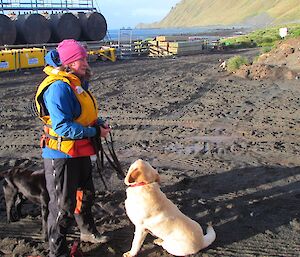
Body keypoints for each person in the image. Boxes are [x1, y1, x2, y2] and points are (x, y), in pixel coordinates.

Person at [35, 39, 111, 257]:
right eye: (81, 59)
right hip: (61, 155)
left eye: (85, 58)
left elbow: (82, 115)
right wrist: (95, 133)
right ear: (68, 63)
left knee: (85, 195)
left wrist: (98, 123)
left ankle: (87, 231)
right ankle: (57, 252)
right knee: (62, 207)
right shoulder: (58, 88)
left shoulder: (75, 82)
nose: (86, 62)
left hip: (79, 151)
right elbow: (63, 127)